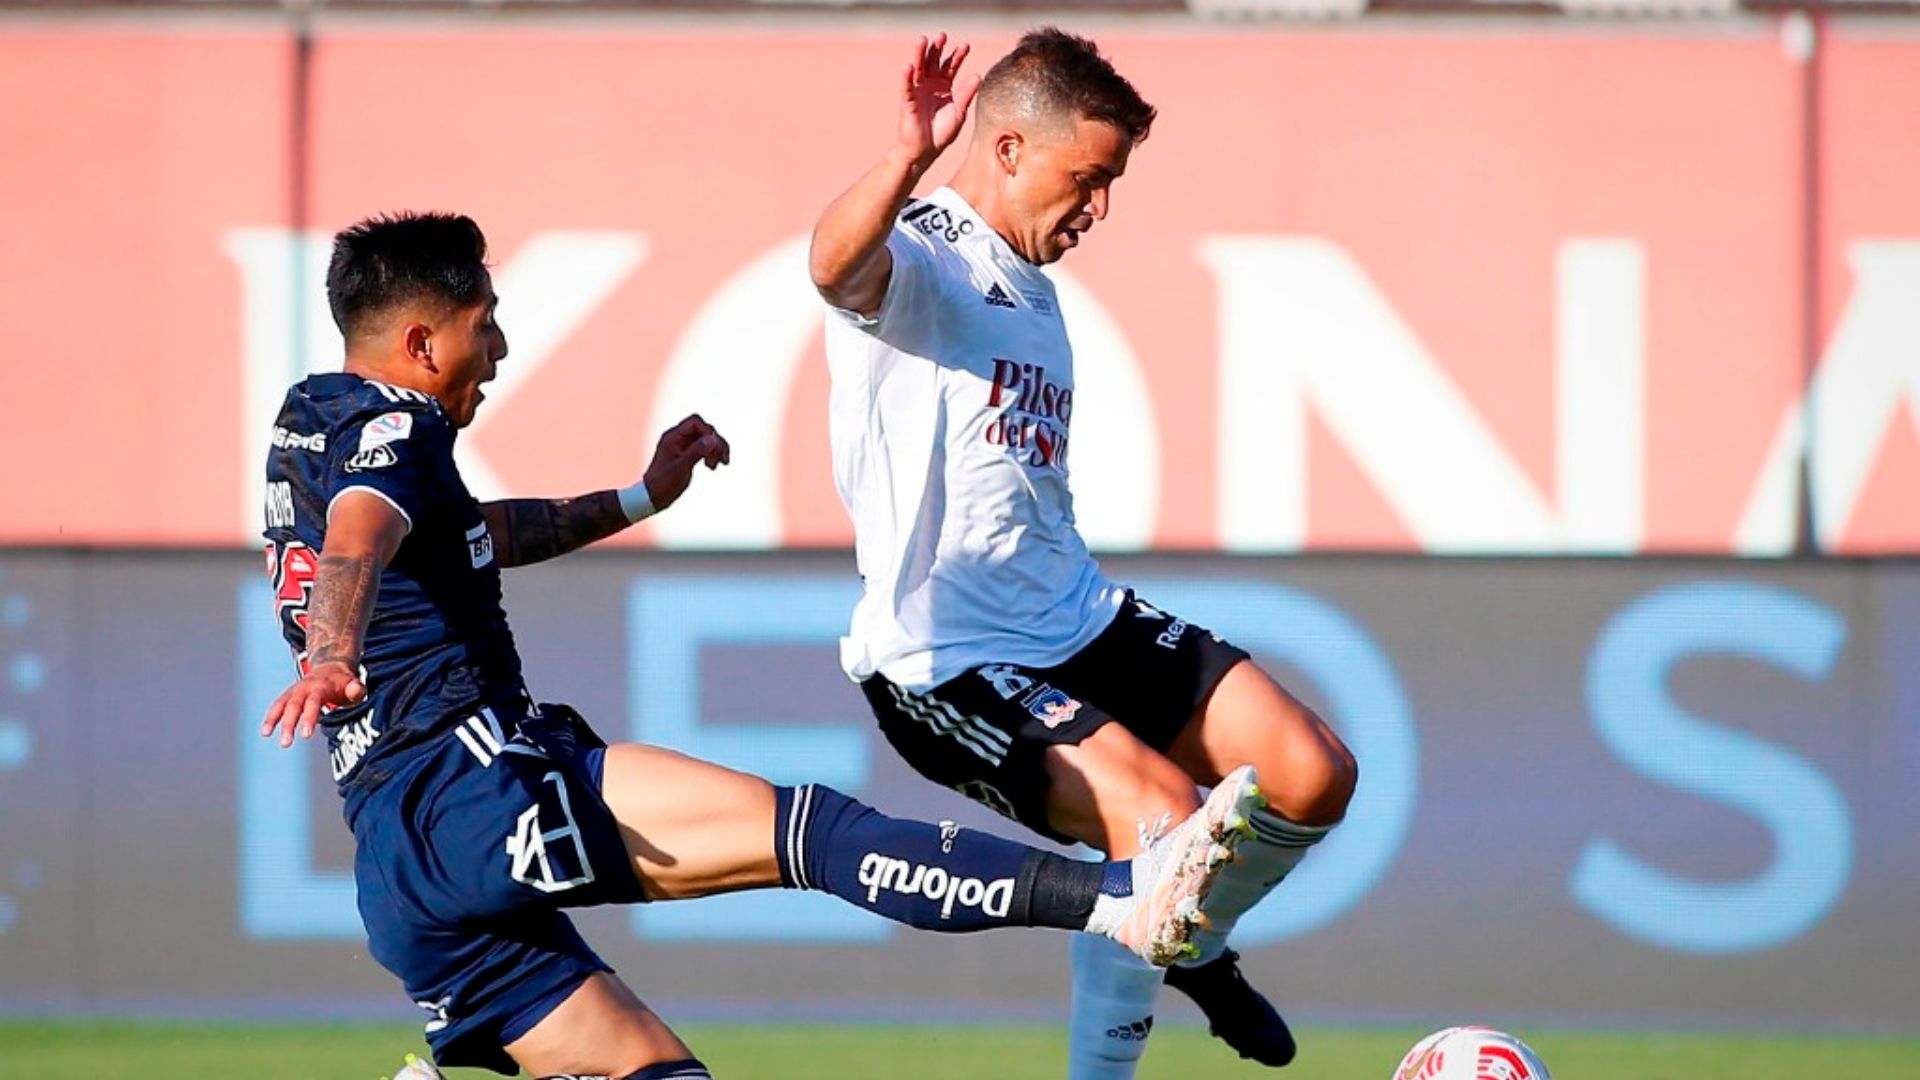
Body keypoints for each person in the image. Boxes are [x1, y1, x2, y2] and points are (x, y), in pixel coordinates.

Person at [260, 211, 1267, 1080]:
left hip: (398, 855)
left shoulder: (312, 418)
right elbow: (363, 534)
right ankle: (1120, 899)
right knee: (810, 833)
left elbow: (469, 535)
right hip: (472, 785)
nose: (504, 348)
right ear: (425, 343)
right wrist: (330, 651)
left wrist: (637, 496)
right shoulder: (400, 429)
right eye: (487, 324)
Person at [809, 29, 1359, 1077]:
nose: (1098, 209)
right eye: (1087, 179)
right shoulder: (920, 251)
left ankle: (1186, 940)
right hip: (946, 659)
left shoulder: (1036, 290)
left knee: (1312, 773)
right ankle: (1157, 964)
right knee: (1159, 821)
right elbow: (832, 265)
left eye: (1111, 184)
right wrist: (908, 156)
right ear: (1007, 148)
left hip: (1081, 619)